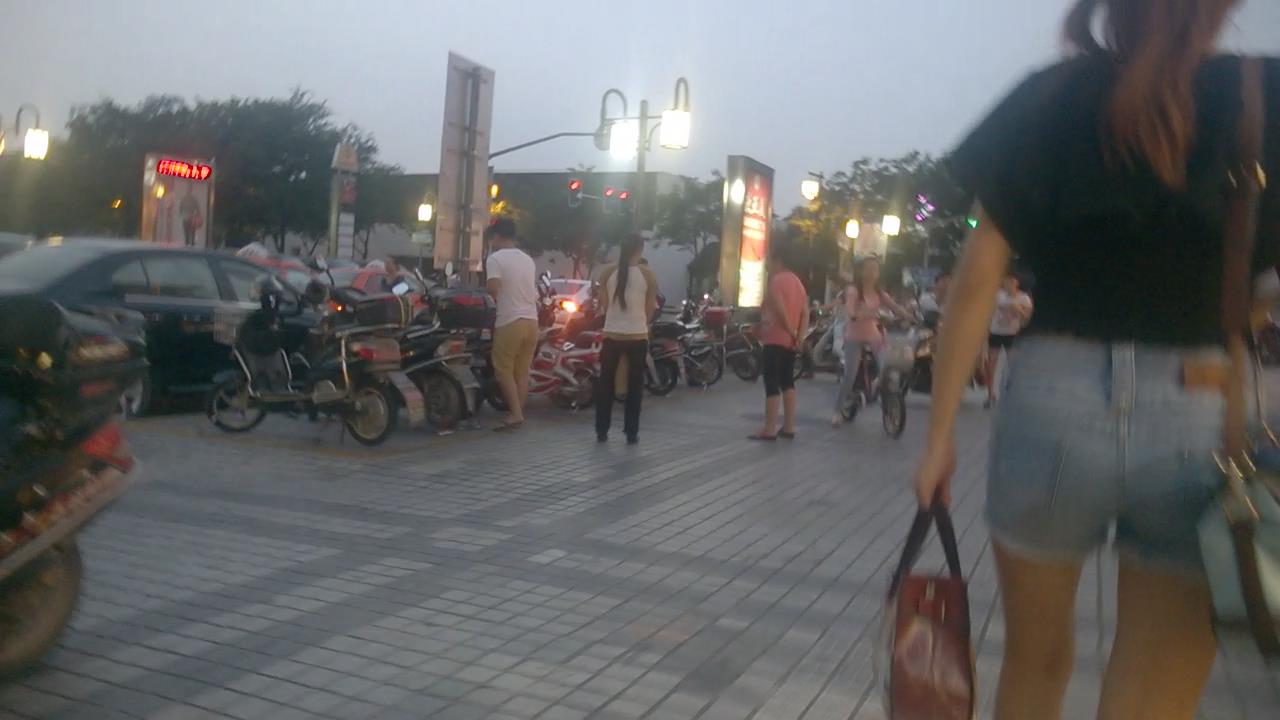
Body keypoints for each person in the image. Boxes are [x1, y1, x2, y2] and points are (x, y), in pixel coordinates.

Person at [914, 2, 1278, 718]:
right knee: (1150, 687)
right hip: (1201, 414)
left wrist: (939, 438)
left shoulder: (1051, 95)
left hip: (1051, 401)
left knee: (1035, 662)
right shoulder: (1261, 95)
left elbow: (978, 277)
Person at [832, 256, 912, 426]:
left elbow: (895, 307)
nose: (871, 273)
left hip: (874, 336)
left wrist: (908, 316)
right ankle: (837, 411)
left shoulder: (879, 293)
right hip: (854, 336)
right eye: (868, 269)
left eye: (875, 269)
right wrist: (854, 315)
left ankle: (878, 394)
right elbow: (850, 307)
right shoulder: (854, 290)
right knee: (850, 375)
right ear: (861, 271)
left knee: (887, 366)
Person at [595, 234, 659, 444]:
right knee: (635, 386)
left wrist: (615, 318)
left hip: (611, 334)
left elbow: (604, 303)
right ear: (640, 249)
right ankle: (631, 433)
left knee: (606, 383)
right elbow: (650, 307)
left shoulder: (607, 272)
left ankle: (601, 430)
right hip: (637, 335)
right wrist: (640, 321)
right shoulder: (647, 274)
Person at [484, 219, 539, 431]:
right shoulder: (528, 260)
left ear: (497, 236)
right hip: (531, 321)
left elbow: (493, 288)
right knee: (522, 371)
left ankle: (515, 414)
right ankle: (518, 412)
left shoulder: (495, 259)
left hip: (510, 321)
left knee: (503, 370)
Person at [751, 244, 808, 441]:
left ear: (778, 261)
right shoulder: (798, 283)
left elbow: (779, 309)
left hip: (775, 337)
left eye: (769, 260)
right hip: (791, 342)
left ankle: (769, 428)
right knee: (787, 381)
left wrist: (789, 330)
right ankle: (789, 426)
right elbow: (805, 312)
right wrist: (799, 336)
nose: (766, 264)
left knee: (771, 381)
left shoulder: (776, 281)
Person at [983, 271, 1033, 408]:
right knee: (991, 365)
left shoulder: (1023, 298)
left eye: (1012, 281)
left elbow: (1027, 319)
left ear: (1017, 283)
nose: (1009, 284)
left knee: (1012, 366)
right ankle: (990, 395)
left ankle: (1010, 393)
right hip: (996, 332)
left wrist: (1018, 309)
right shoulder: (997, 295)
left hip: (1012, 333)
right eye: (1006, 281)